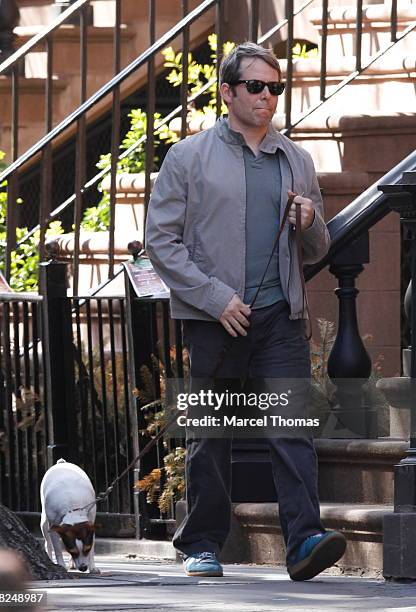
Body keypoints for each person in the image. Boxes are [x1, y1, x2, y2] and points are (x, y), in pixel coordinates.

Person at [145, 42, 346, 581]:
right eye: (256, 87)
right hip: (215, 317)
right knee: (212, 435)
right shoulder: (188, 157)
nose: (267, 98)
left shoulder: (296, 160)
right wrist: (215, 299)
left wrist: (309, 222)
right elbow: (160, 242)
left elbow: (319, 247)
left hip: (280, 315)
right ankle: (202, 543)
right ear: (228, 92)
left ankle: (304, 540)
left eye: (275, 88)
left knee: (291, 430)